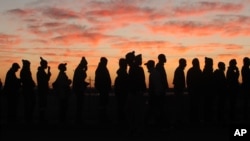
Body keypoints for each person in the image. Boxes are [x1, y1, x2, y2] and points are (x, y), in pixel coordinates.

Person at [145, 60, 165, 128]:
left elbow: (156, 86)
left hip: (155, 96)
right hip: (156, 96)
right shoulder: (155, 73)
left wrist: (155, 96)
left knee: (154, 111)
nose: (146, 66)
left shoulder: (153, 74)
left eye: (147, 65)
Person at [95, 57, 111, 123]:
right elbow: (102, 80)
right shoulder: (102, 69)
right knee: (103, 104)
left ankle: (102, 117)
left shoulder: (101, 68)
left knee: (103, 104)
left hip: (104, 89)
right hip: (103, 89)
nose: (106, 63)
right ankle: (102, 117)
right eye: (106, 62)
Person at [72, 57, 89, 124]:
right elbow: (81, 79)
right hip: (79, 89)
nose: (86, 66)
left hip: (79, 89)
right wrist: (85, 71)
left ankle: (79, 118)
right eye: (85, 65)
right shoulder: (79, 70)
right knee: (79, 104)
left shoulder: (79, 69)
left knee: (80, 104)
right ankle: (78, 119)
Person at [187, 58, 203, 124]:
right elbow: (201, 81)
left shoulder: (190, 71)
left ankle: (192, 120)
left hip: (192, 91)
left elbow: (188, 82)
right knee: (196, 106)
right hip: (196, 92)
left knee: (193, 106)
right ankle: (196, 119)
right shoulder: (199, 71)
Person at [20, 59, 36, 124]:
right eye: (29, 65)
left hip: (28, 89)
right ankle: (28, 118)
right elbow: (27, 80)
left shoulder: (25, 71)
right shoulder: (25, 71)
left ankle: (28, 118)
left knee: (29, 104)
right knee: (28, 104)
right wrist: (32, 83)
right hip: (27, 90)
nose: (29, 66)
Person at [114, 58, 129, 126]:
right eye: (125, 64)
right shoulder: (124, 76)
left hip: (120, 95)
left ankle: (120, 123)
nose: (127, 66)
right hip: (123, 95)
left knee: (120, 109)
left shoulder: (119, 76)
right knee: (123, 110)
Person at [37, 57, 51, 123]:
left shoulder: (41, 71)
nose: (47, 65)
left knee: (43, 105)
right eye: (46, 64)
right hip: (42, 90)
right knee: (42, 104)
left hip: (42, 90)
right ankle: (41, 118)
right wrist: (48, 73)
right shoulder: (41, 72)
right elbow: (46, 80)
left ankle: (42, 118)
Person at [173, 58, 187, 125]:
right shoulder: (179, 71)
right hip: (179, 92)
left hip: (178, 91)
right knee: (179, 108)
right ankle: (179, 122)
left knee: (179, 108)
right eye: (185, 63)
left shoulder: (179, 70)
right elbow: (178, 82)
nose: (186, 64)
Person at [202, 57, 215, 123]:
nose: (212, 64)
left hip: (208, 92)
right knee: (208, 106)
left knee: (208, 106)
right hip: (208, 92)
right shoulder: (207, 71)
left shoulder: (207, 71)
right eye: (211, 63)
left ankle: (208, 119)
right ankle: (208, 120)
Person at [241, 57, 250, 122]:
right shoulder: (245, 69)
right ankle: (245, 117)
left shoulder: (245, 68)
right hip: (246, 87)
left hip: (246, 87)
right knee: (246, 103)